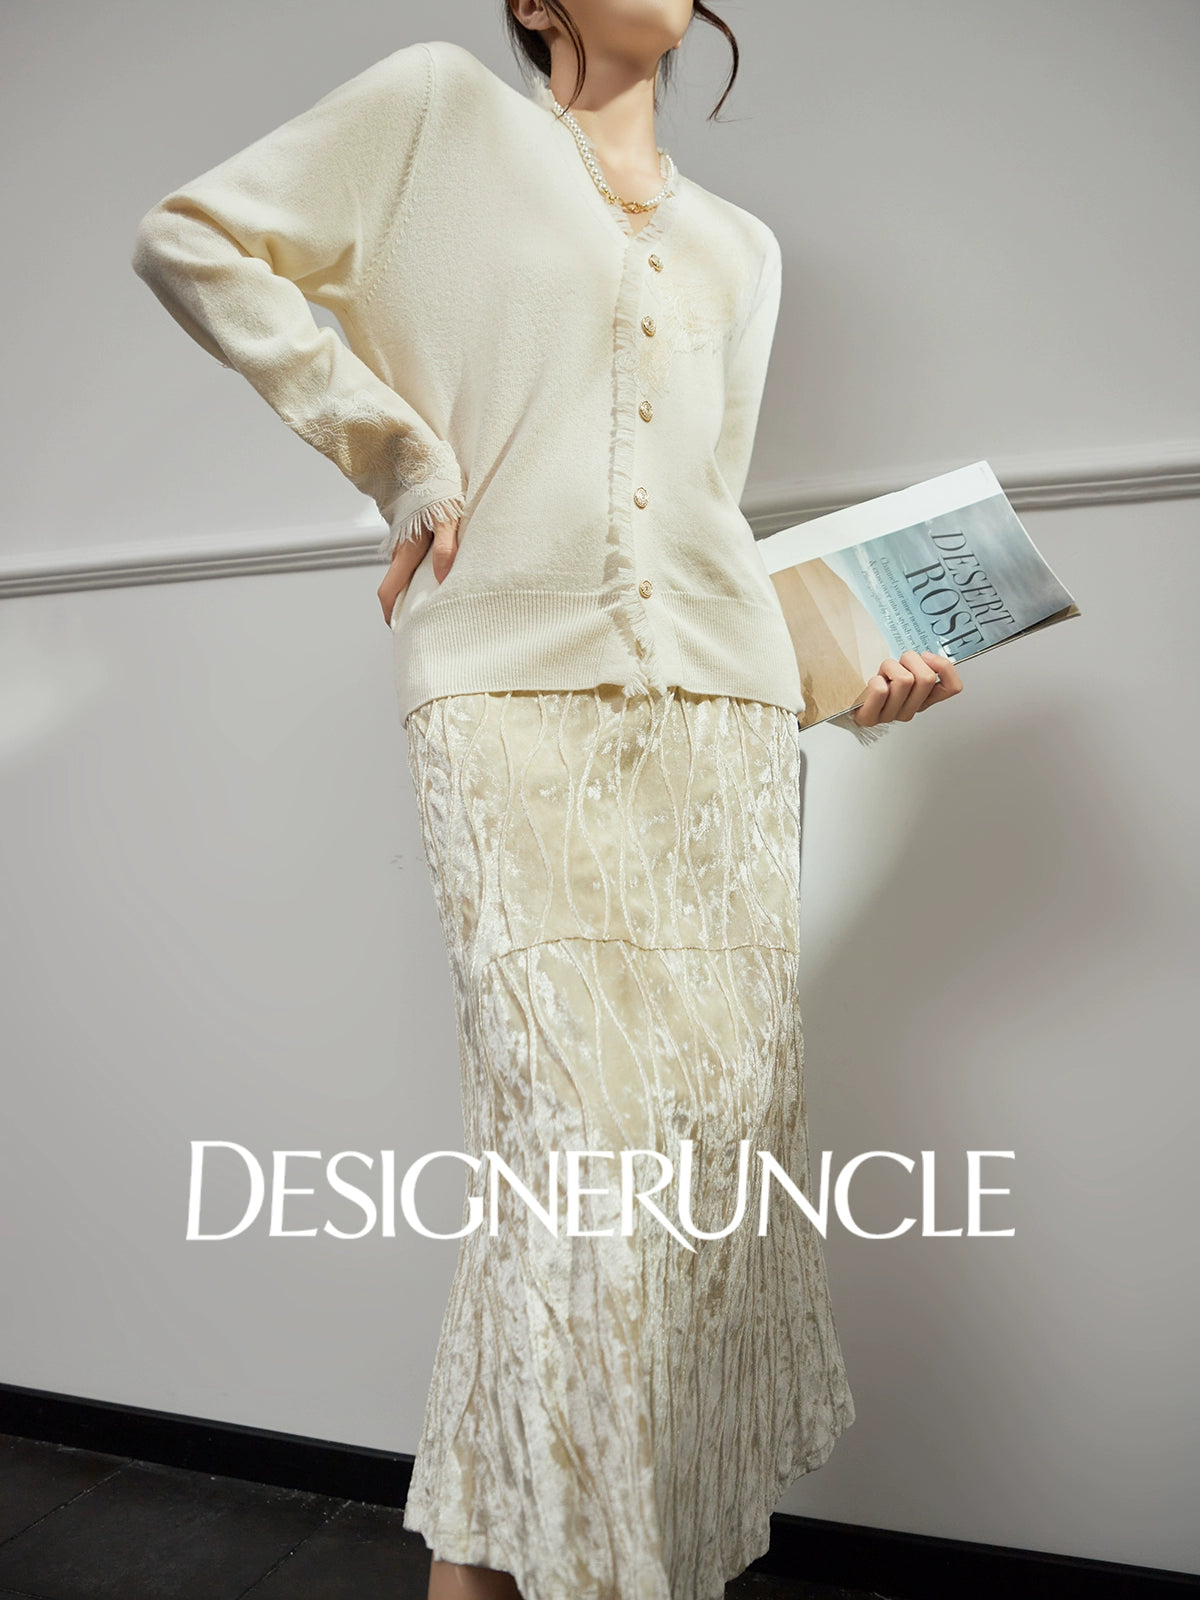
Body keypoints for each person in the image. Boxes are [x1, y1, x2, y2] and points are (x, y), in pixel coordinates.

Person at [131, 4, 963, 1597]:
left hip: (722, 737)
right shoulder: (440, 113)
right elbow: (194, 239)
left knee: (685, 1178)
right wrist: (397, 455)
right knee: (573, 1171)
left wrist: (856, 683)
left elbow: (704, 514)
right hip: (506, 703)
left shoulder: (742, 249)